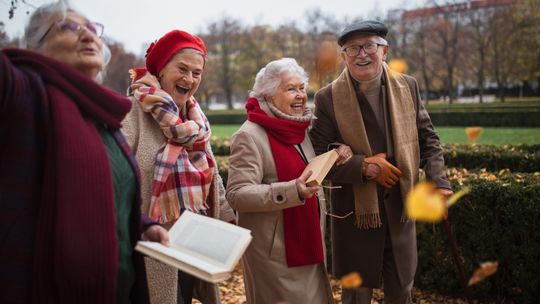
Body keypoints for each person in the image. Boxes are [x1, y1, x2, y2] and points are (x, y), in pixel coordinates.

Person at [0, 2, 169, 304]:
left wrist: (142, 227)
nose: (88, 36)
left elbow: (109, 193)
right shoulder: (22, 93)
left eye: (93, 29)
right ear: (35, 46)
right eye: (68, 26)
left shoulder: (104, 117)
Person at [309, 20, 454, 304]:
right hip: (356, 219)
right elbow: (317, 156)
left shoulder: (408, 86)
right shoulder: (327, 99)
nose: (362, 54)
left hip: (401, 211)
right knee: (356, 295)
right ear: (344, 57)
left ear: (384, 50)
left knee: (402, 291)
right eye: (353, 49)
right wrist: (364, 167)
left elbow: (428, 140)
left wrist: (439, 182)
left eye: (369, 46)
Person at [121, 29, 235, 304]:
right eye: (182, 69)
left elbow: (212, 174)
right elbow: (116, 178)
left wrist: (230, 216)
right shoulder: (131, 112)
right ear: (161, 68)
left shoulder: (195, 119)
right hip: (150, 246)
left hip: (192, 242)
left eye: (197, 73)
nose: (189, 79)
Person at [226, 58, 352, 304]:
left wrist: (336, 151)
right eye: (290, 89)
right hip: (274, 255)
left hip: (308, 241)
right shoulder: (248, 136)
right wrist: (291, 190)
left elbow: (307, 165)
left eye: (302, 88)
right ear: (269, 95)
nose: (300, 96)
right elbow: (237, 194)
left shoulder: (299, 127)